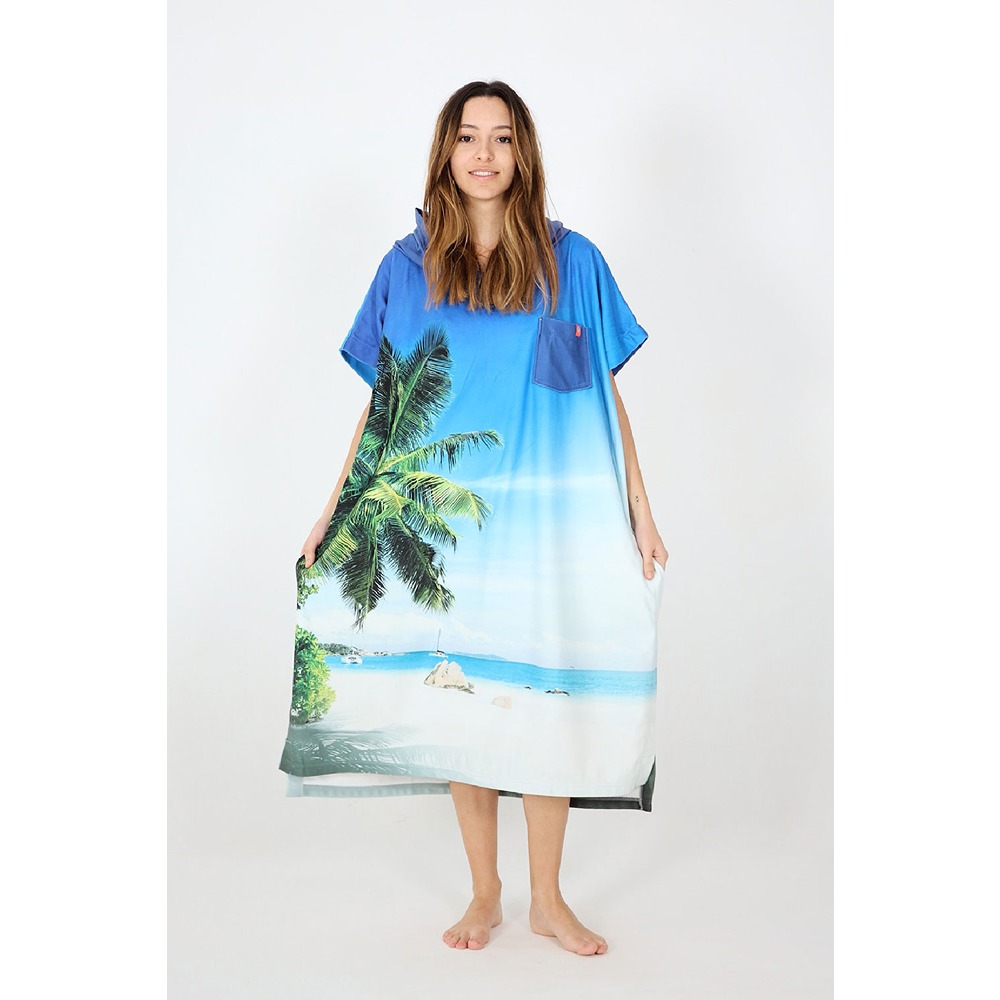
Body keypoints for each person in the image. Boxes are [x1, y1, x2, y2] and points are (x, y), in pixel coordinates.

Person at [279, 80, 668, 956]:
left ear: (522, 153)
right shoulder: (404, 267)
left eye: (501, 137)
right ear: (445, 153)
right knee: (464, 716)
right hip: (445, 535)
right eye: (467, 137)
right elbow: (387, 405)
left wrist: (641, 514)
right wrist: (333, 509)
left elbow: (607, 398)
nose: (484, 154)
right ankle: (485, 894)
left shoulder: (575, 263)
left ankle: (549, 901)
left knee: (545, 703)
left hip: (545, 534)